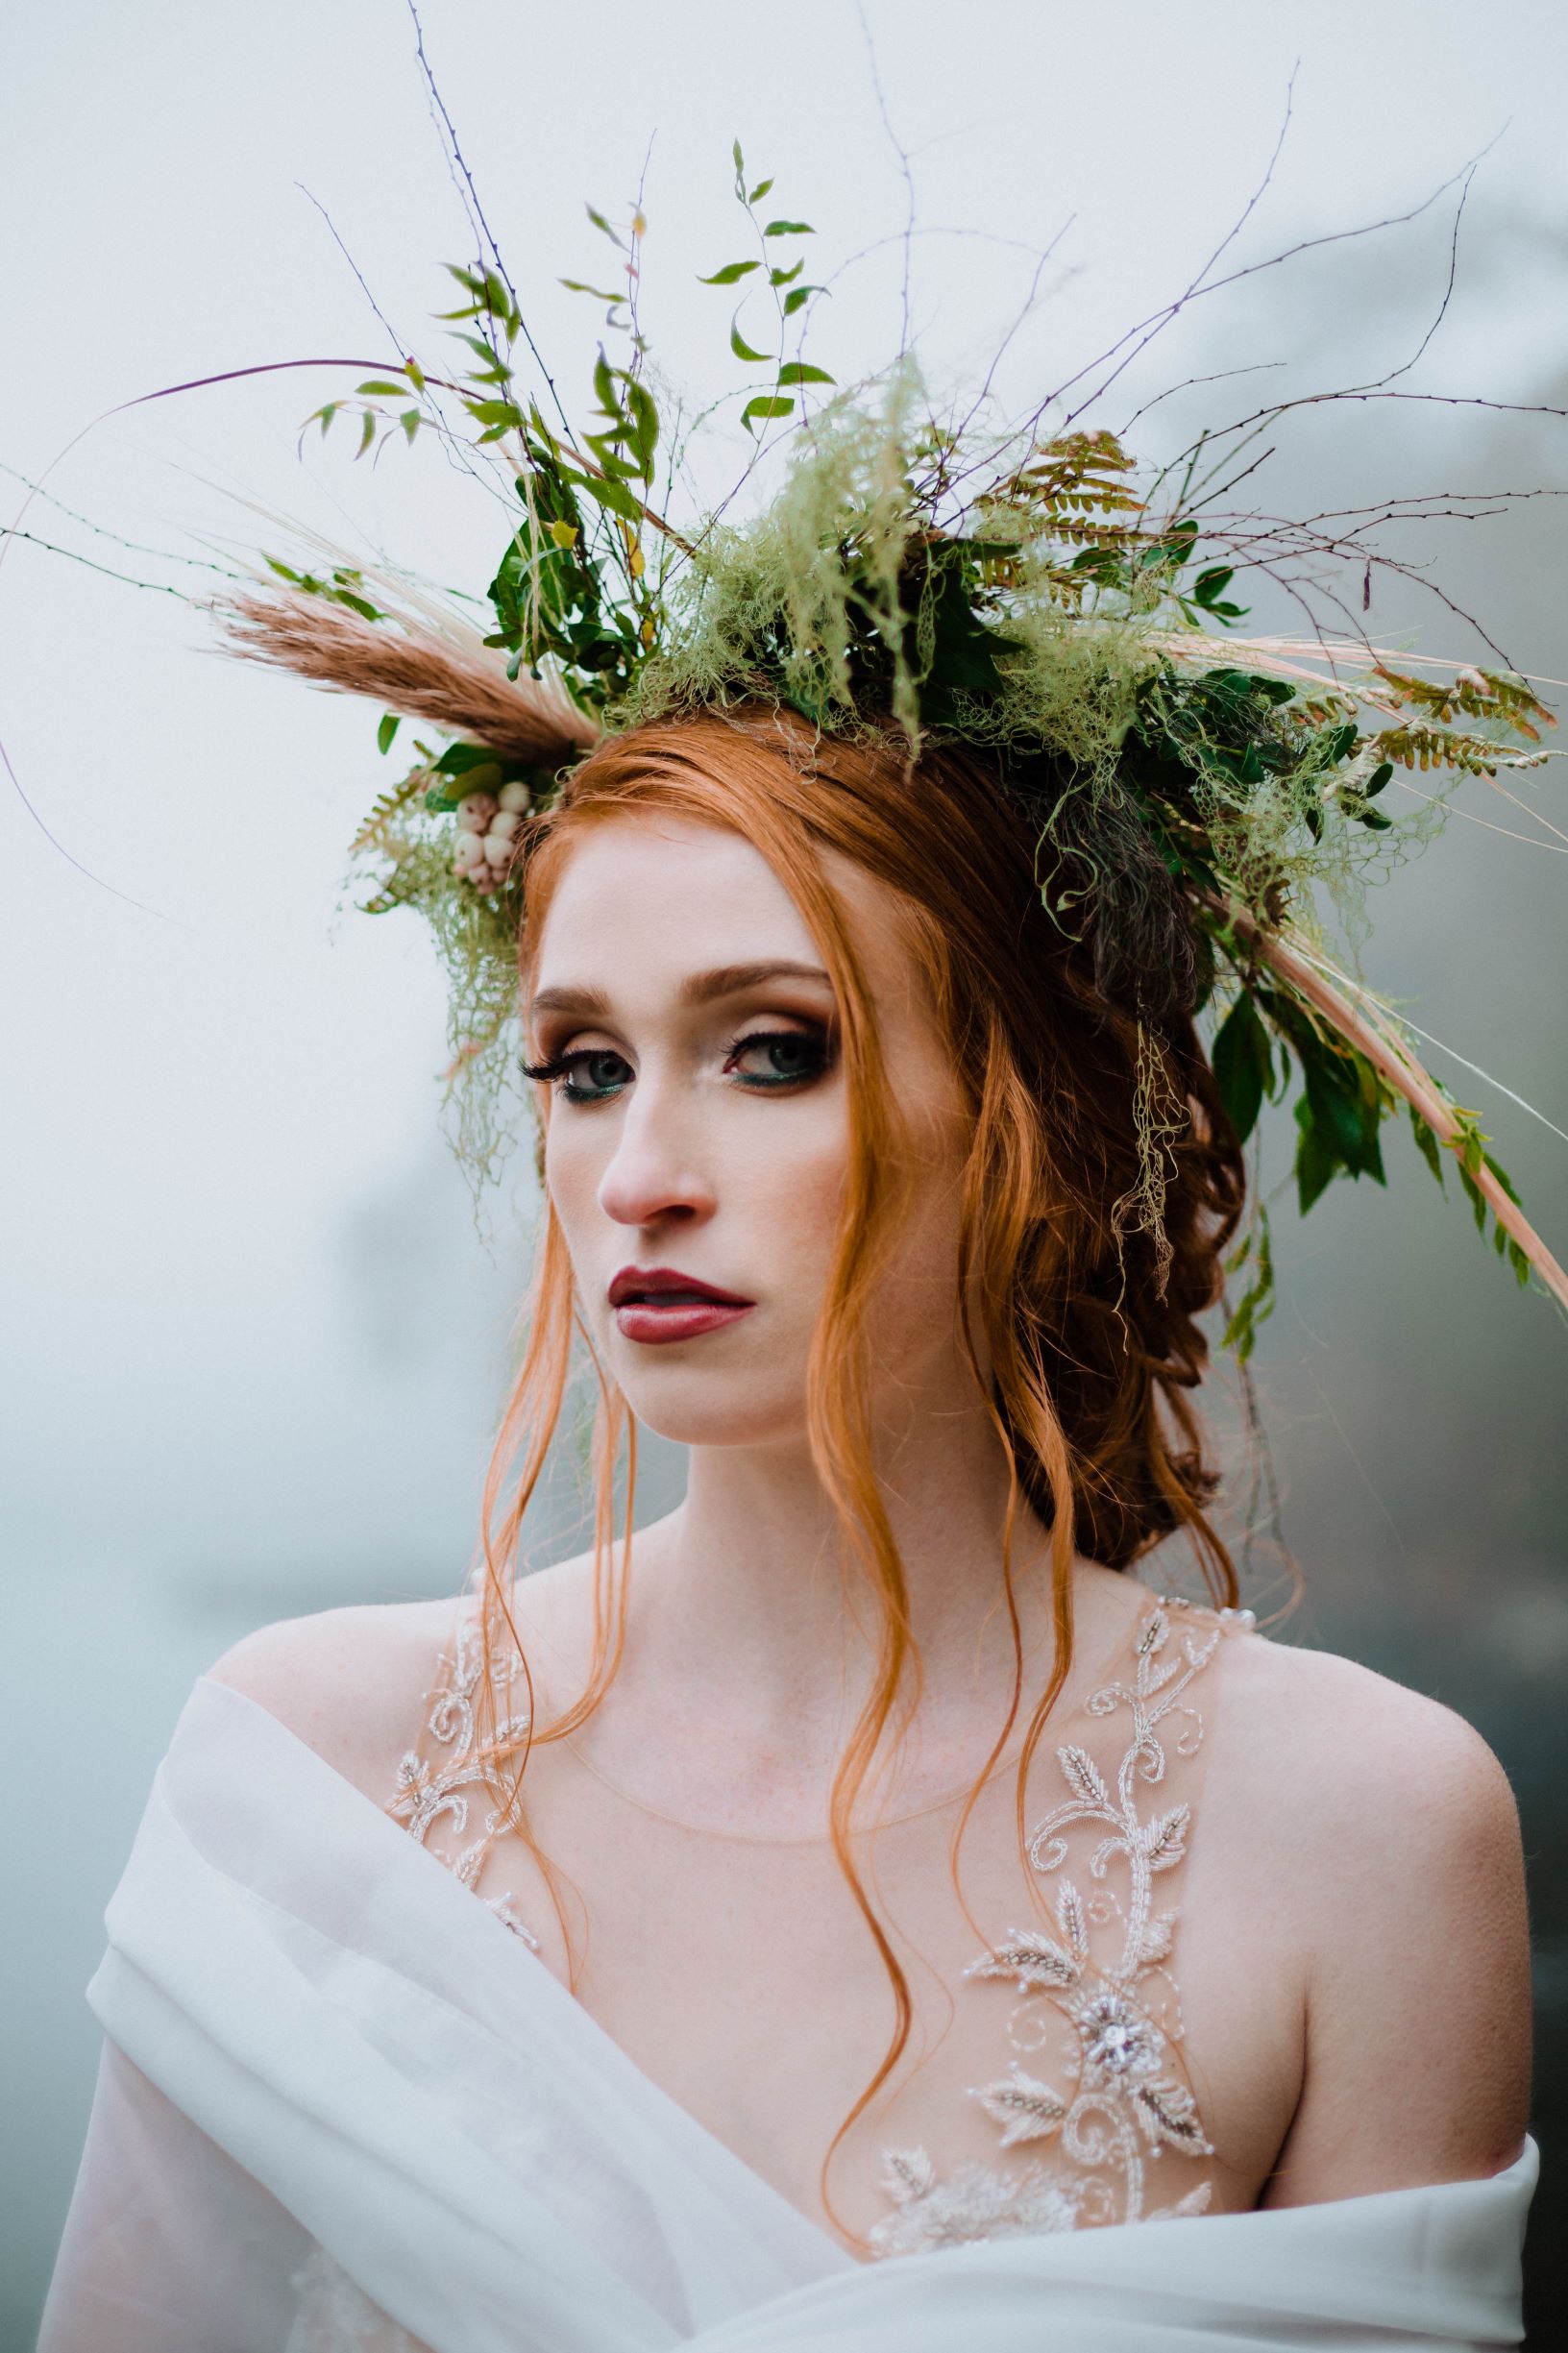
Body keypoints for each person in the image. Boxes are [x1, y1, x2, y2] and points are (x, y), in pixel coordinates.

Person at [37, 200, 1550, 2349]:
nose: (640, 1171)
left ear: (1038, 1107)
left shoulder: (1370, 1838)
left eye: (774, 1049)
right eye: (581, 1065)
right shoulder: (309, 1767)